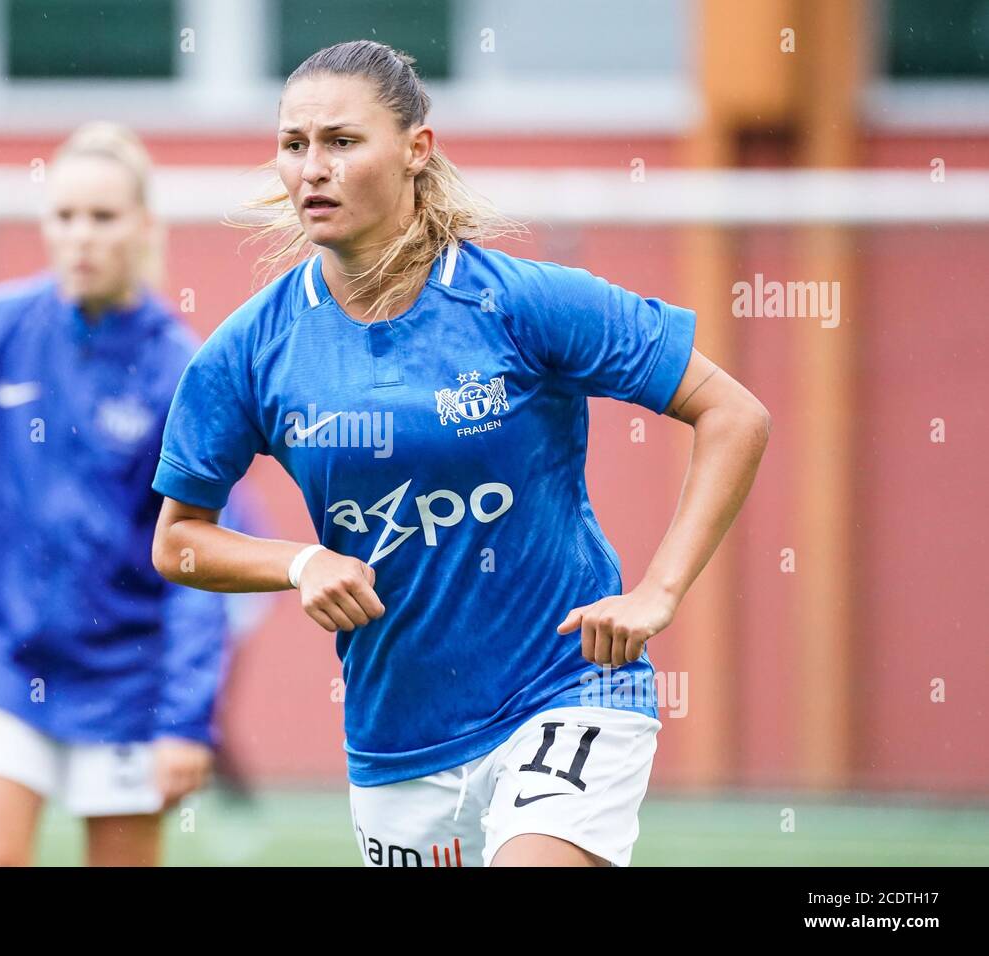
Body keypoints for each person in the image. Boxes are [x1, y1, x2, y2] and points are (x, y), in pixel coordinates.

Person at [149, 41, 771, 868]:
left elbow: (734, 412)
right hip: (398, 737)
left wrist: (658, 592)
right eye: (295, 145)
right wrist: (298, 564)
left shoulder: (520, 301)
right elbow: (179, 539)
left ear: (417, 151)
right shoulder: (247, 352)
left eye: (342, 141)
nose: (312, 169)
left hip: (565, 690)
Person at [0, 121, 238, 867]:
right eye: (65, 215)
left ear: (144, 228)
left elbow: (199, 562)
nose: (81, 236)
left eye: (103, 217)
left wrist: (186, 719)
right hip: (1, 661)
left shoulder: (184, 369)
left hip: (124, 681)